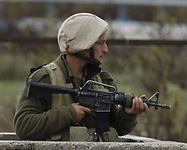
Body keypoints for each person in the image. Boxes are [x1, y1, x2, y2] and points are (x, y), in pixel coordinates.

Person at [13, 13, 149, 142]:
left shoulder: (103, 81)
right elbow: (23, 126)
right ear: (84, 43)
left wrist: (128, 114)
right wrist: (69, 114)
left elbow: (114, 128)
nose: (105, 49)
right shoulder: (44, 79)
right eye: (101, 43)